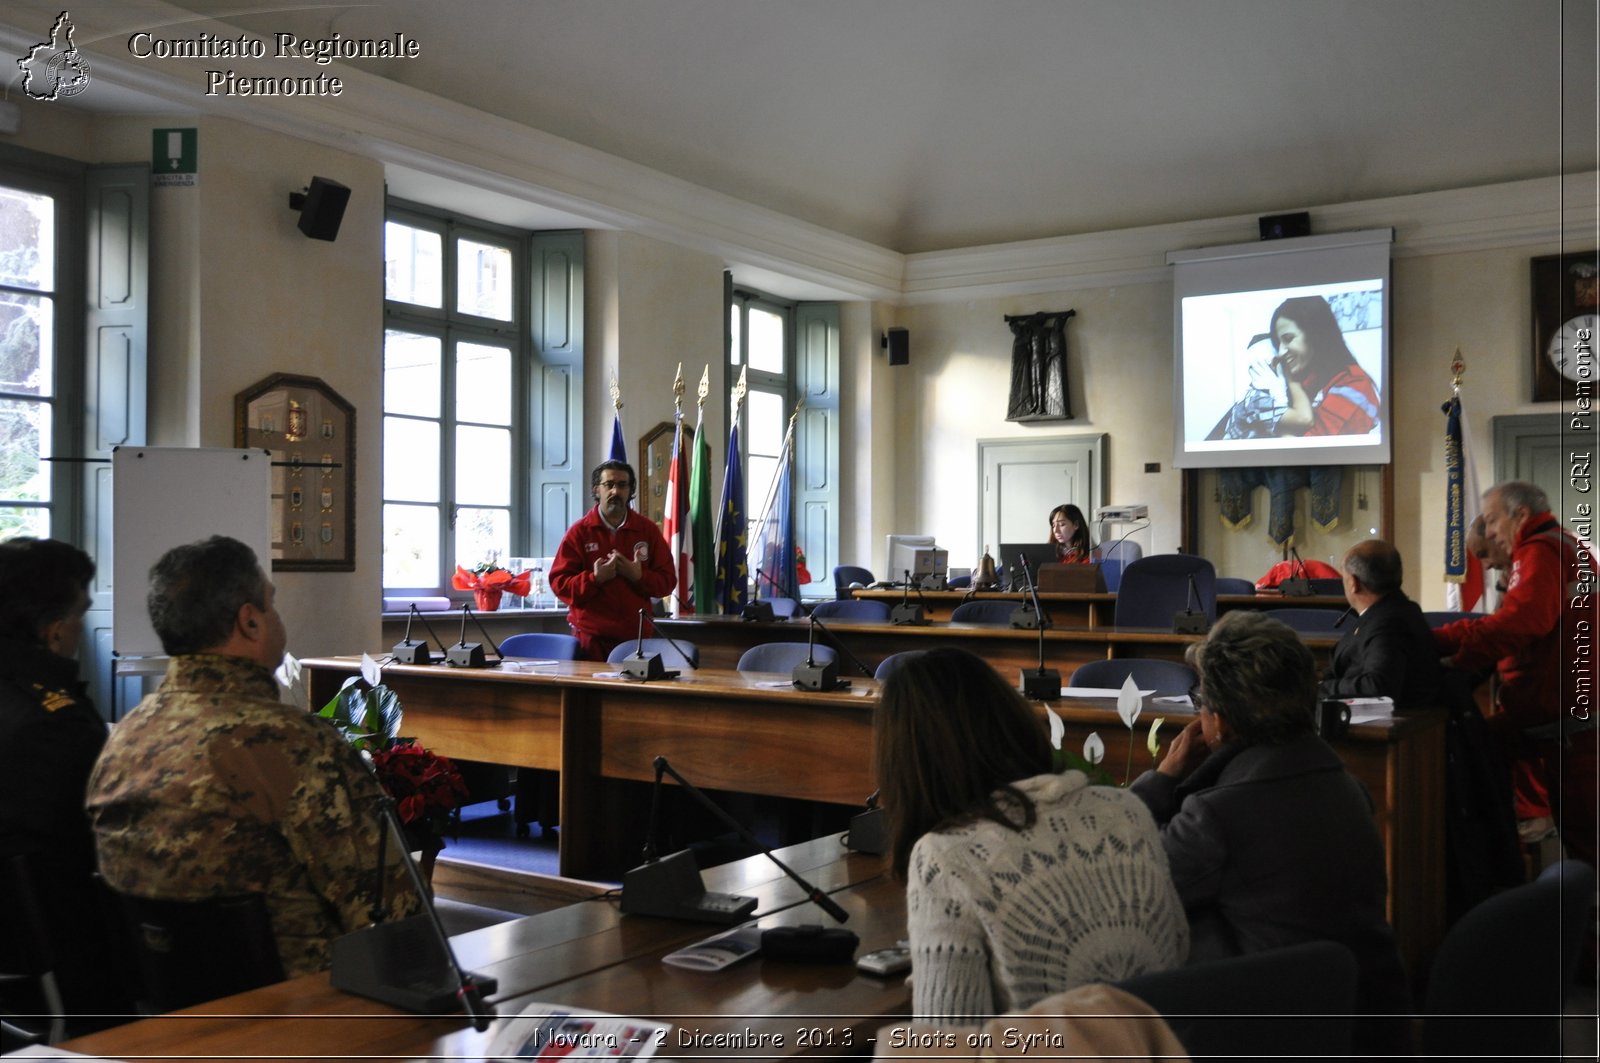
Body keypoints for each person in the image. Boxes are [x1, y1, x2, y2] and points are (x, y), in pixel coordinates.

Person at [87, 536, 417, 979]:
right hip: (306, 1019)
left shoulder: (124, 739)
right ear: (250, 622)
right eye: (271, 605)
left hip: (168, 1025)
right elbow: (395, 914)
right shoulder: (299, 747)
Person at [1130, 610, 1411, 1057]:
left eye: (1200, 698)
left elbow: (1125, 883)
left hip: (1278, 1037)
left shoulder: (1217, 814)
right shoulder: (1346, 785)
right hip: (1369, 1030)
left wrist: (1162, 779)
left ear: (1219, 721)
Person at [874, 647, 1187, 1022]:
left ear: (907, 761)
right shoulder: (1127, 809)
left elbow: (945, 1043)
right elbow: (1178, 950)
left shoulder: (946, 856)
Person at [0, 538, 133, 1025]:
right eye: (81, 612)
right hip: (60, 965)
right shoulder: (55, 725)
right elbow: (105, 845)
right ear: (54, 631)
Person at [1433, 481, 1598, 871]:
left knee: (1586, 844)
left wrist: (1455, 658)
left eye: (1492, 521)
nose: (1487, 531)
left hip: (1569, 724)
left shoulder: (1541, 550)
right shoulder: (1560, 546)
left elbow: (1520, 623)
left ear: (1521, 516)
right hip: (1562, 715)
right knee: (1485, 744)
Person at [548, 459, 676, 660]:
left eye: (622, 485)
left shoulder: (647, 530)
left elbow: (667, 582)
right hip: (591, 642)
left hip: (637, 641)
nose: (615, 492)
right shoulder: (579, 532)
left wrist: (639, 576)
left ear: (630, 490)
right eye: (609, 485)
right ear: (596, 490)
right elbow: (559, 584)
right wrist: (594, 579)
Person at [1318, 539, 1441, 705]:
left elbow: (1378, 685)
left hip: (1390, 724)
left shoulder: (1389, 622)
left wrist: (1320, 690)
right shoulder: (1396, 610)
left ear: (1353, 583)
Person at [1268, 295, 1380, 437]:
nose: (1281, 352)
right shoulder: (1309, 379)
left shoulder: (1355, 384)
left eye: (1288, 339)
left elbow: (1307, 451)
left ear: (1316, 334)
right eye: (1278, 343)